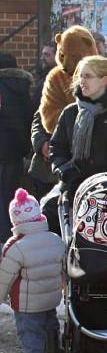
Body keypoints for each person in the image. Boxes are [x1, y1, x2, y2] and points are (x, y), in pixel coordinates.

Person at [50, 56, 107, 198]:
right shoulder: (70, 112)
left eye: (88, 76)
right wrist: (67, 173)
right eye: (81, 76)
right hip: (71, 190)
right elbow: (57, 149)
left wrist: (96, 182)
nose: (82, 81)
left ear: (103, 80)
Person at [0, 189, 63, 353]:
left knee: (30, 332)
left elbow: (5, 276)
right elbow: (63, 268)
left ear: (15, 221)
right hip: (51, 299)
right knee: (51, 327)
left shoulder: (15, 246)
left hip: (27, 303)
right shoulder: (55, 239)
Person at [0, 52, 34, 243]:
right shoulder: (23, 87)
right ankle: (13, 229)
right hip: (17, 148)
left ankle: (3, 233)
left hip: (1, 149)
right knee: (11, 189)